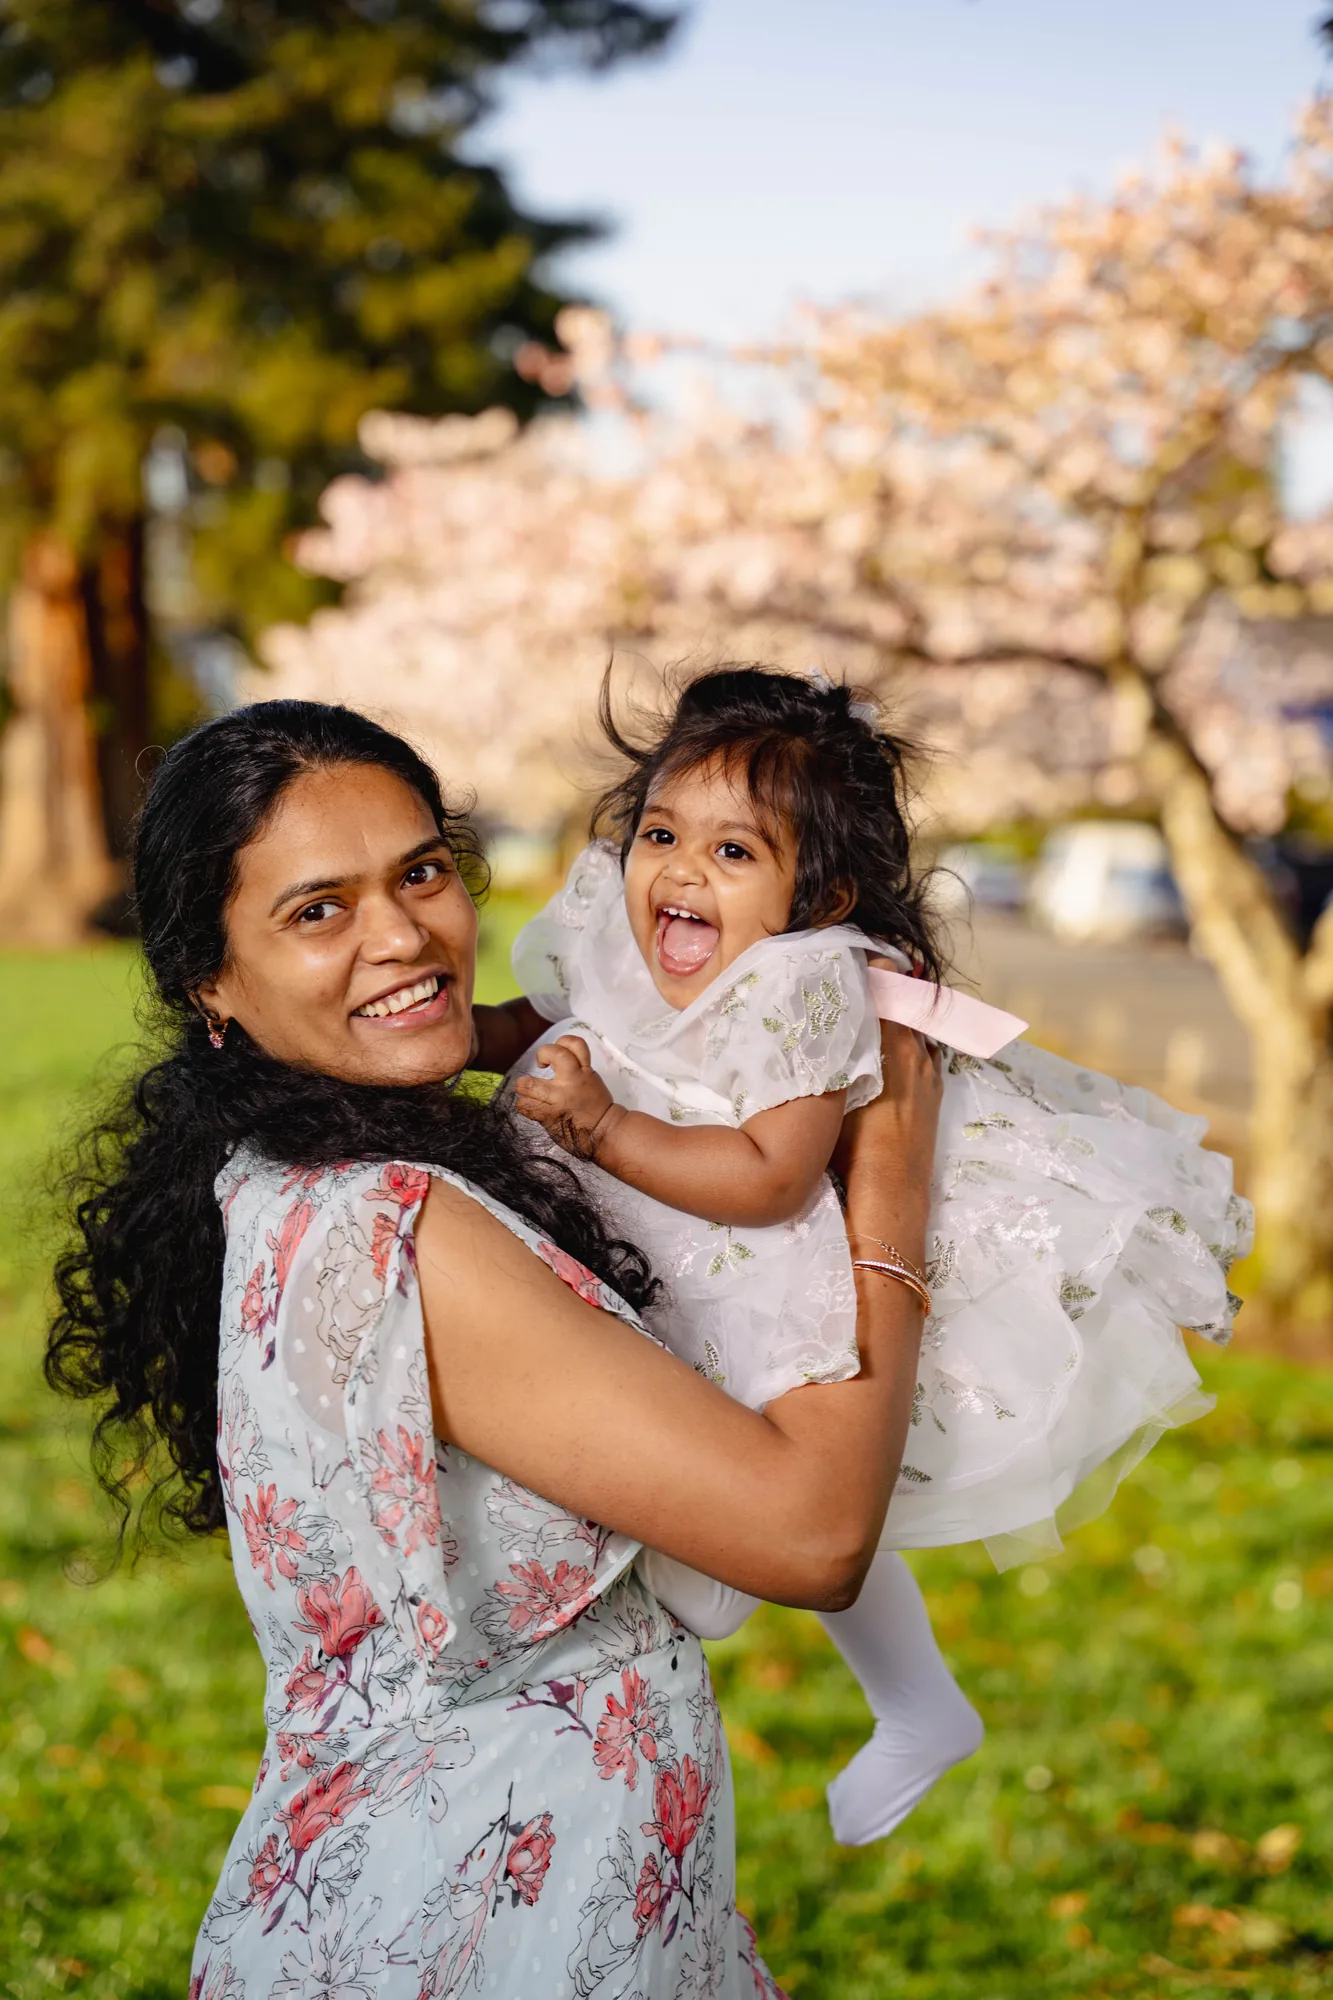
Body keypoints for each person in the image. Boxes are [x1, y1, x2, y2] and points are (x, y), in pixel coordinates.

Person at [46, 699, 944, 1999]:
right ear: (210, 982)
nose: (404, 934)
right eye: (318, 911)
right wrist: (895, 1195)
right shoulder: (402, 1232)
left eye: (418, 872)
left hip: (522, 1882)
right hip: (481, 1912)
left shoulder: (290, 1171)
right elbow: (810, 1534)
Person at [474, 665, 1252, 1849]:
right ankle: (908, 1694)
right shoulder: (636, 930)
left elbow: (769, 1173)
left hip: (750, 1258)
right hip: (647, 1246)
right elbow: (578, 1012)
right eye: (663, 832)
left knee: (779, 1466)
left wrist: (596, 1125)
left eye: (734, 853)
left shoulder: (808, 984)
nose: (679, 868)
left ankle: (855, 1660)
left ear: (815, 892)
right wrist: (464, 1034)